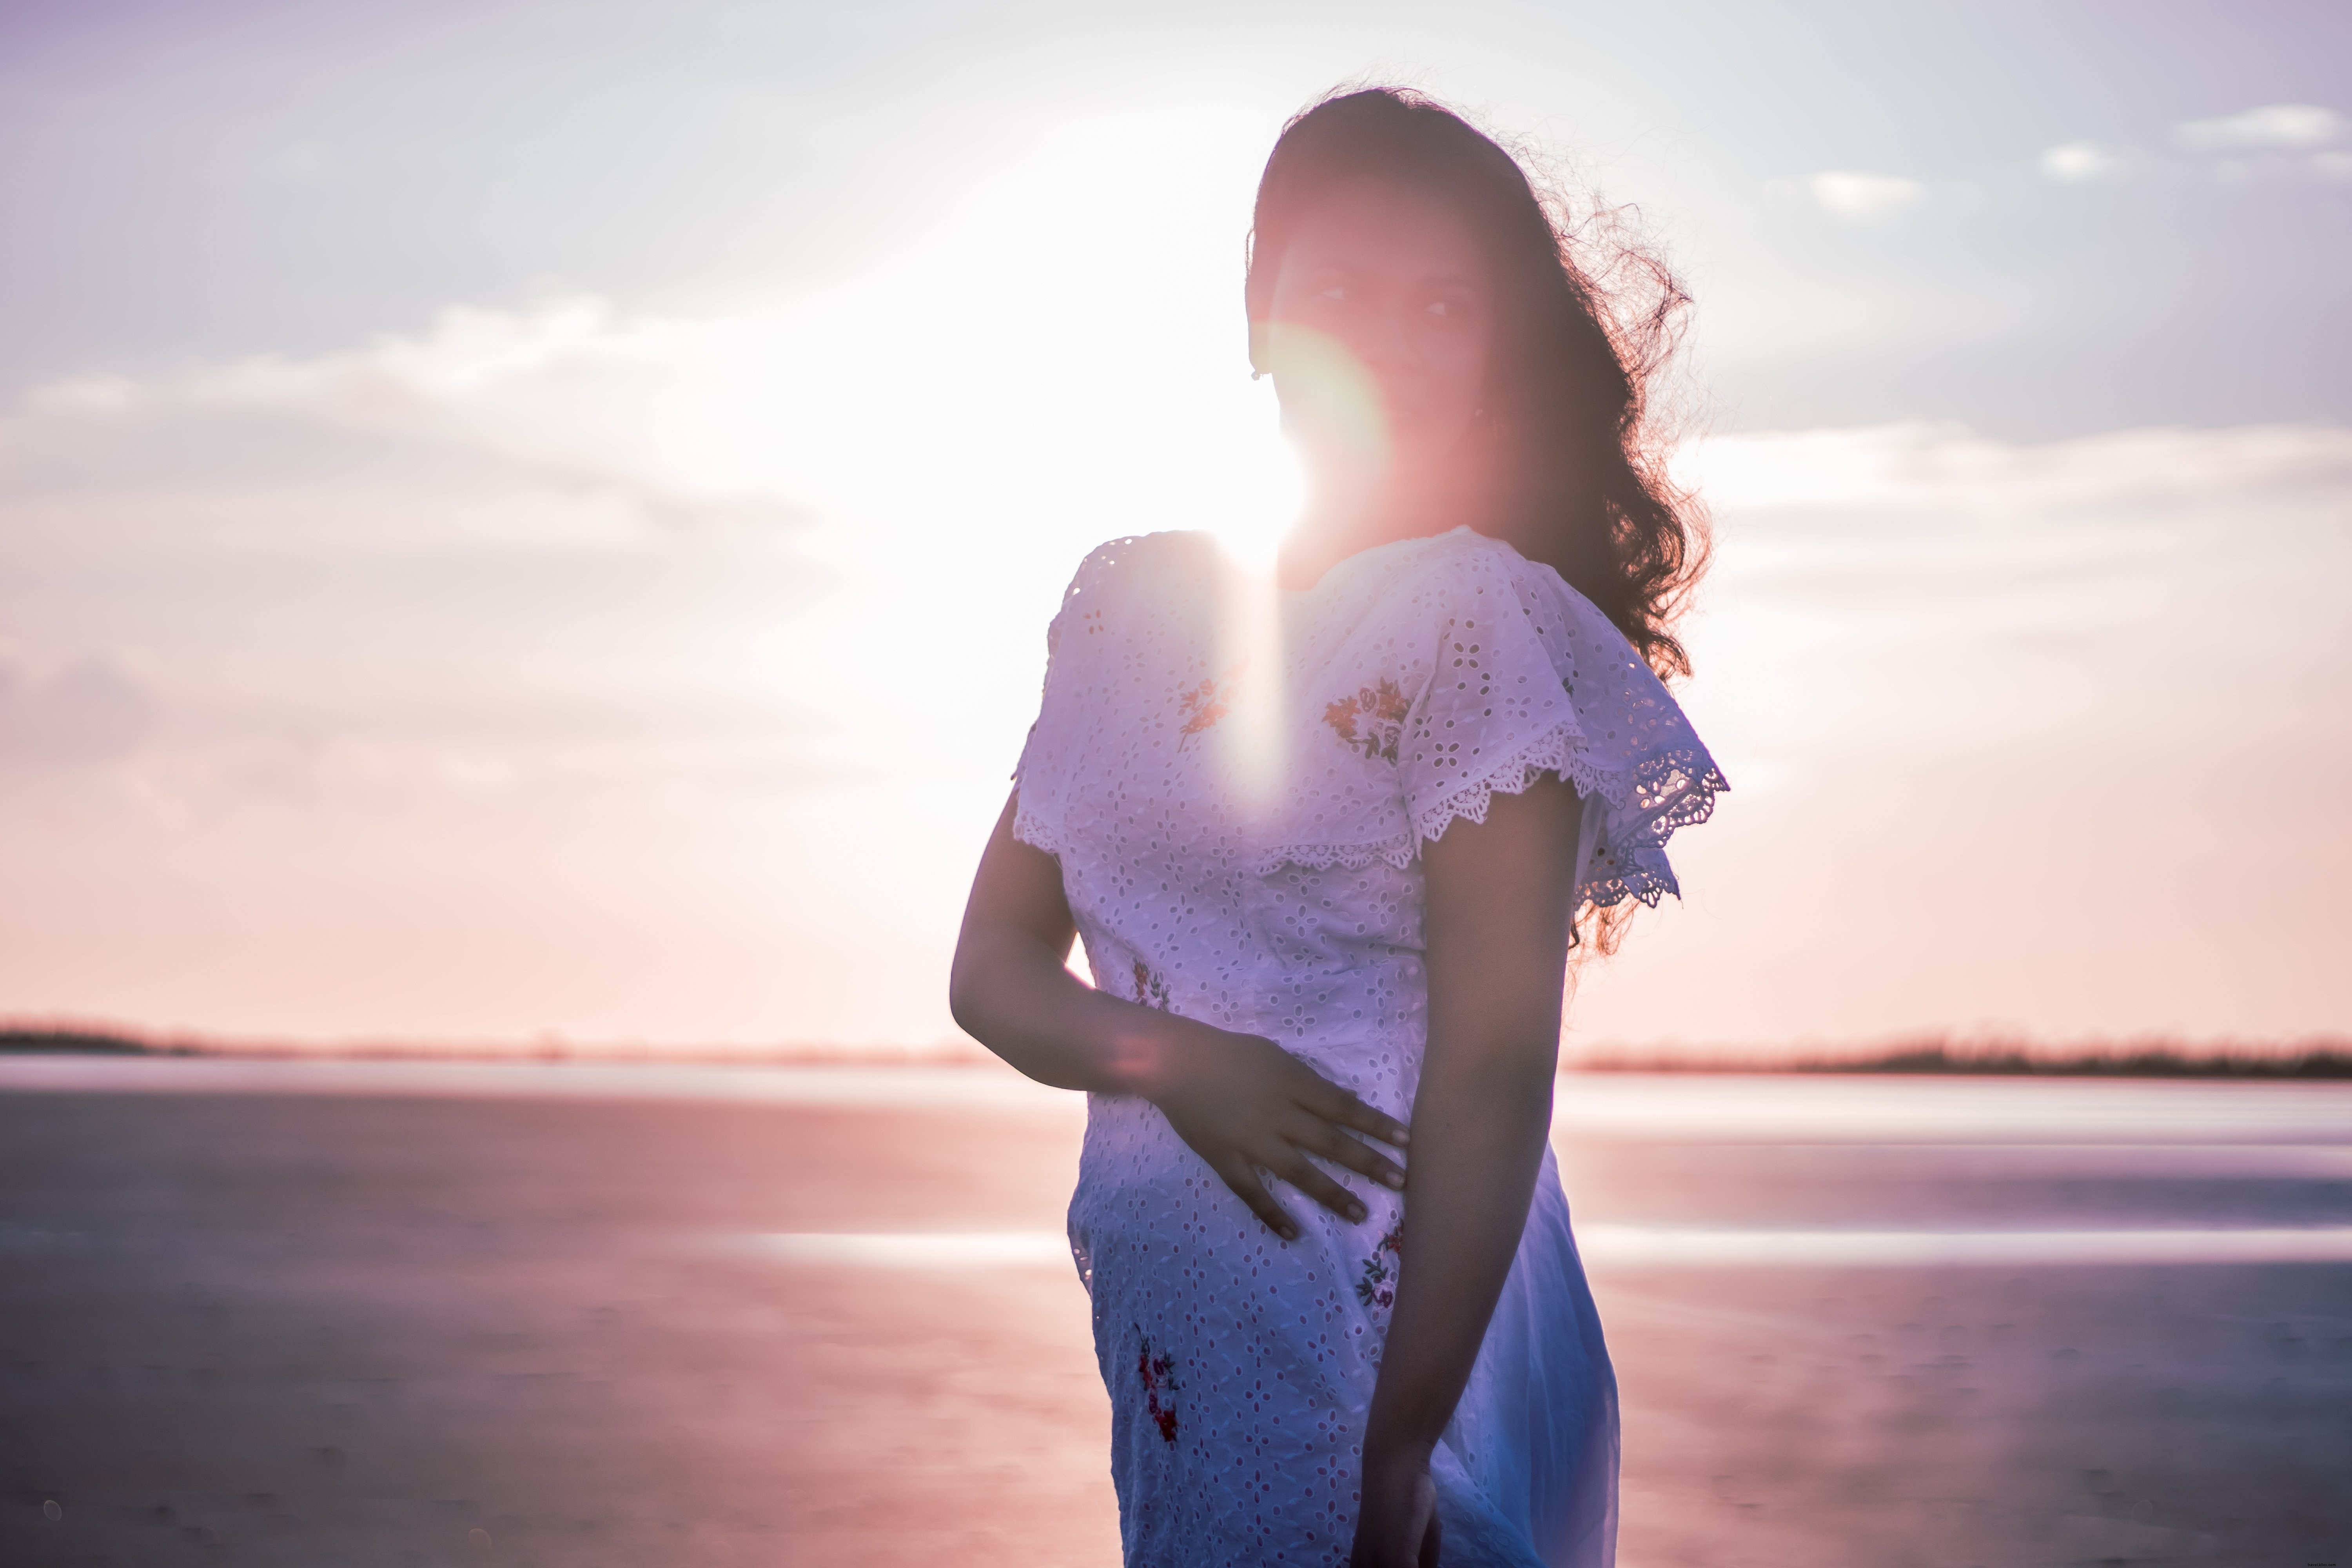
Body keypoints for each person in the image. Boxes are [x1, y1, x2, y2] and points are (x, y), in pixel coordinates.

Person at [949, 87, 1723, 1568]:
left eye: (1441, 303)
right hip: (1183, 1345)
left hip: (1400, 1363)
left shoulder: (1481, 626)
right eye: (1338, 288)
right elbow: (991, 967)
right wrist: (1177, 1061)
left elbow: (1499, 1074)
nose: (1382, 334)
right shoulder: (1129, 615)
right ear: (1259, 312)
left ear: (1493, 349)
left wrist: (1398, 1455)